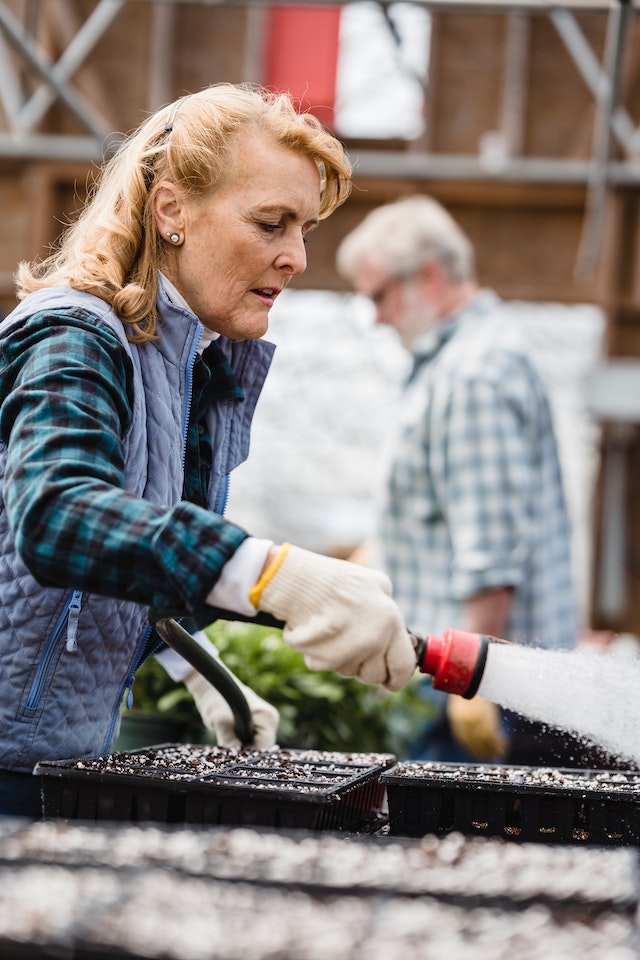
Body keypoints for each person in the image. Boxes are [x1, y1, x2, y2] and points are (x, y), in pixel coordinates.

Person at [0, 84, 416, 818]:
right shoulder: (75, 337)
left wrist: (204, 670)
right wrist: (273, 574)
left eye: (304, 230)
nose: (294, 257)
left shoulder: (184, 366)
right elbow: (58, 516)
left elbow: (134, 554)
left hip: (55, 765)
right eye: (271, 223)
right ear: (172, 213)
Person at [336, 194, 587, 767]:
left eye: (379, 296)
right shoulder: (466, 356)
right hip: (467, 663)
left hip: (469, 672)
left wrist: (473, 685)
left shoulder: (473, 374)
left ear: (428, 276)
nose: (376, 316)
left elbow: (490, 556)